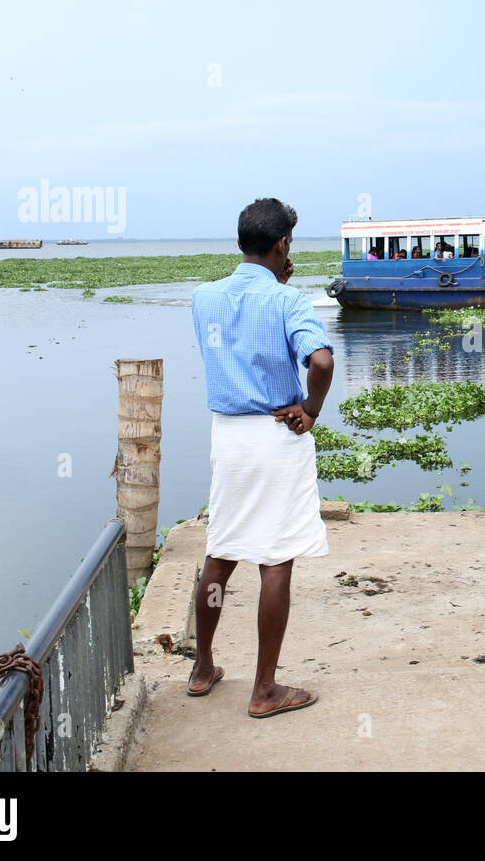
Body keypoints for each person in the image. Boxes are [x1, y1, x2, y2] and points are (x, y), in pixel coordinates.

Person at [189, 198, 334, 719]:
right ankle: (265, 690)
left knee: (221, 551)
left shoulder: (203, 297)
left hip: (227, 437)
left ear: (239, 243)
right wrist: (312, 409)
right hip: (276, 432)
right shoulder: (288, 300)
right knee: (275, 559)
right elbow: (319, 360)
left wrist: (272, 279)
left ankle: (202, 667)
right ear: (282, 245)